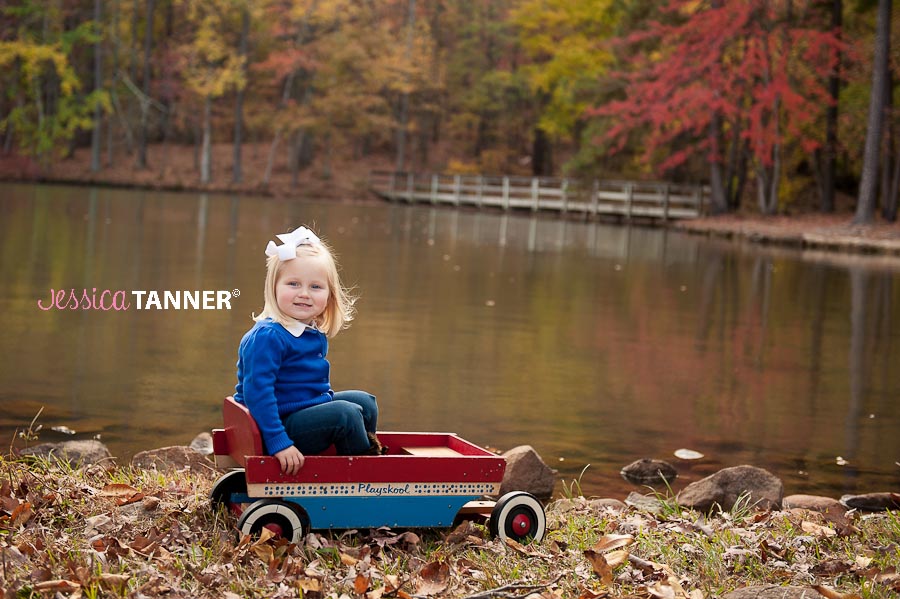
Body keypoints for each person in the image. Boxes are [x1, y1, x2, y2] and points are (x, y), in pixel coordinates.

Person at [234, 226, 380, 475]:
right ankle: (359, 480)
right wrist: (279, 442)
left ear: (329, 295)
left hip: (301, 409)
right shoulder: (268, 336)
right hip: (276, 424)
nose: (304, 294)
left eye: (315, 287)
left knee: (365, 403)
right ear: (274, 287)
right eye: (293, 284)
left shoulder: (309, 330)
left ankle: (360, 454)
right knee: (345, 415)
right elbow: (258, 395)